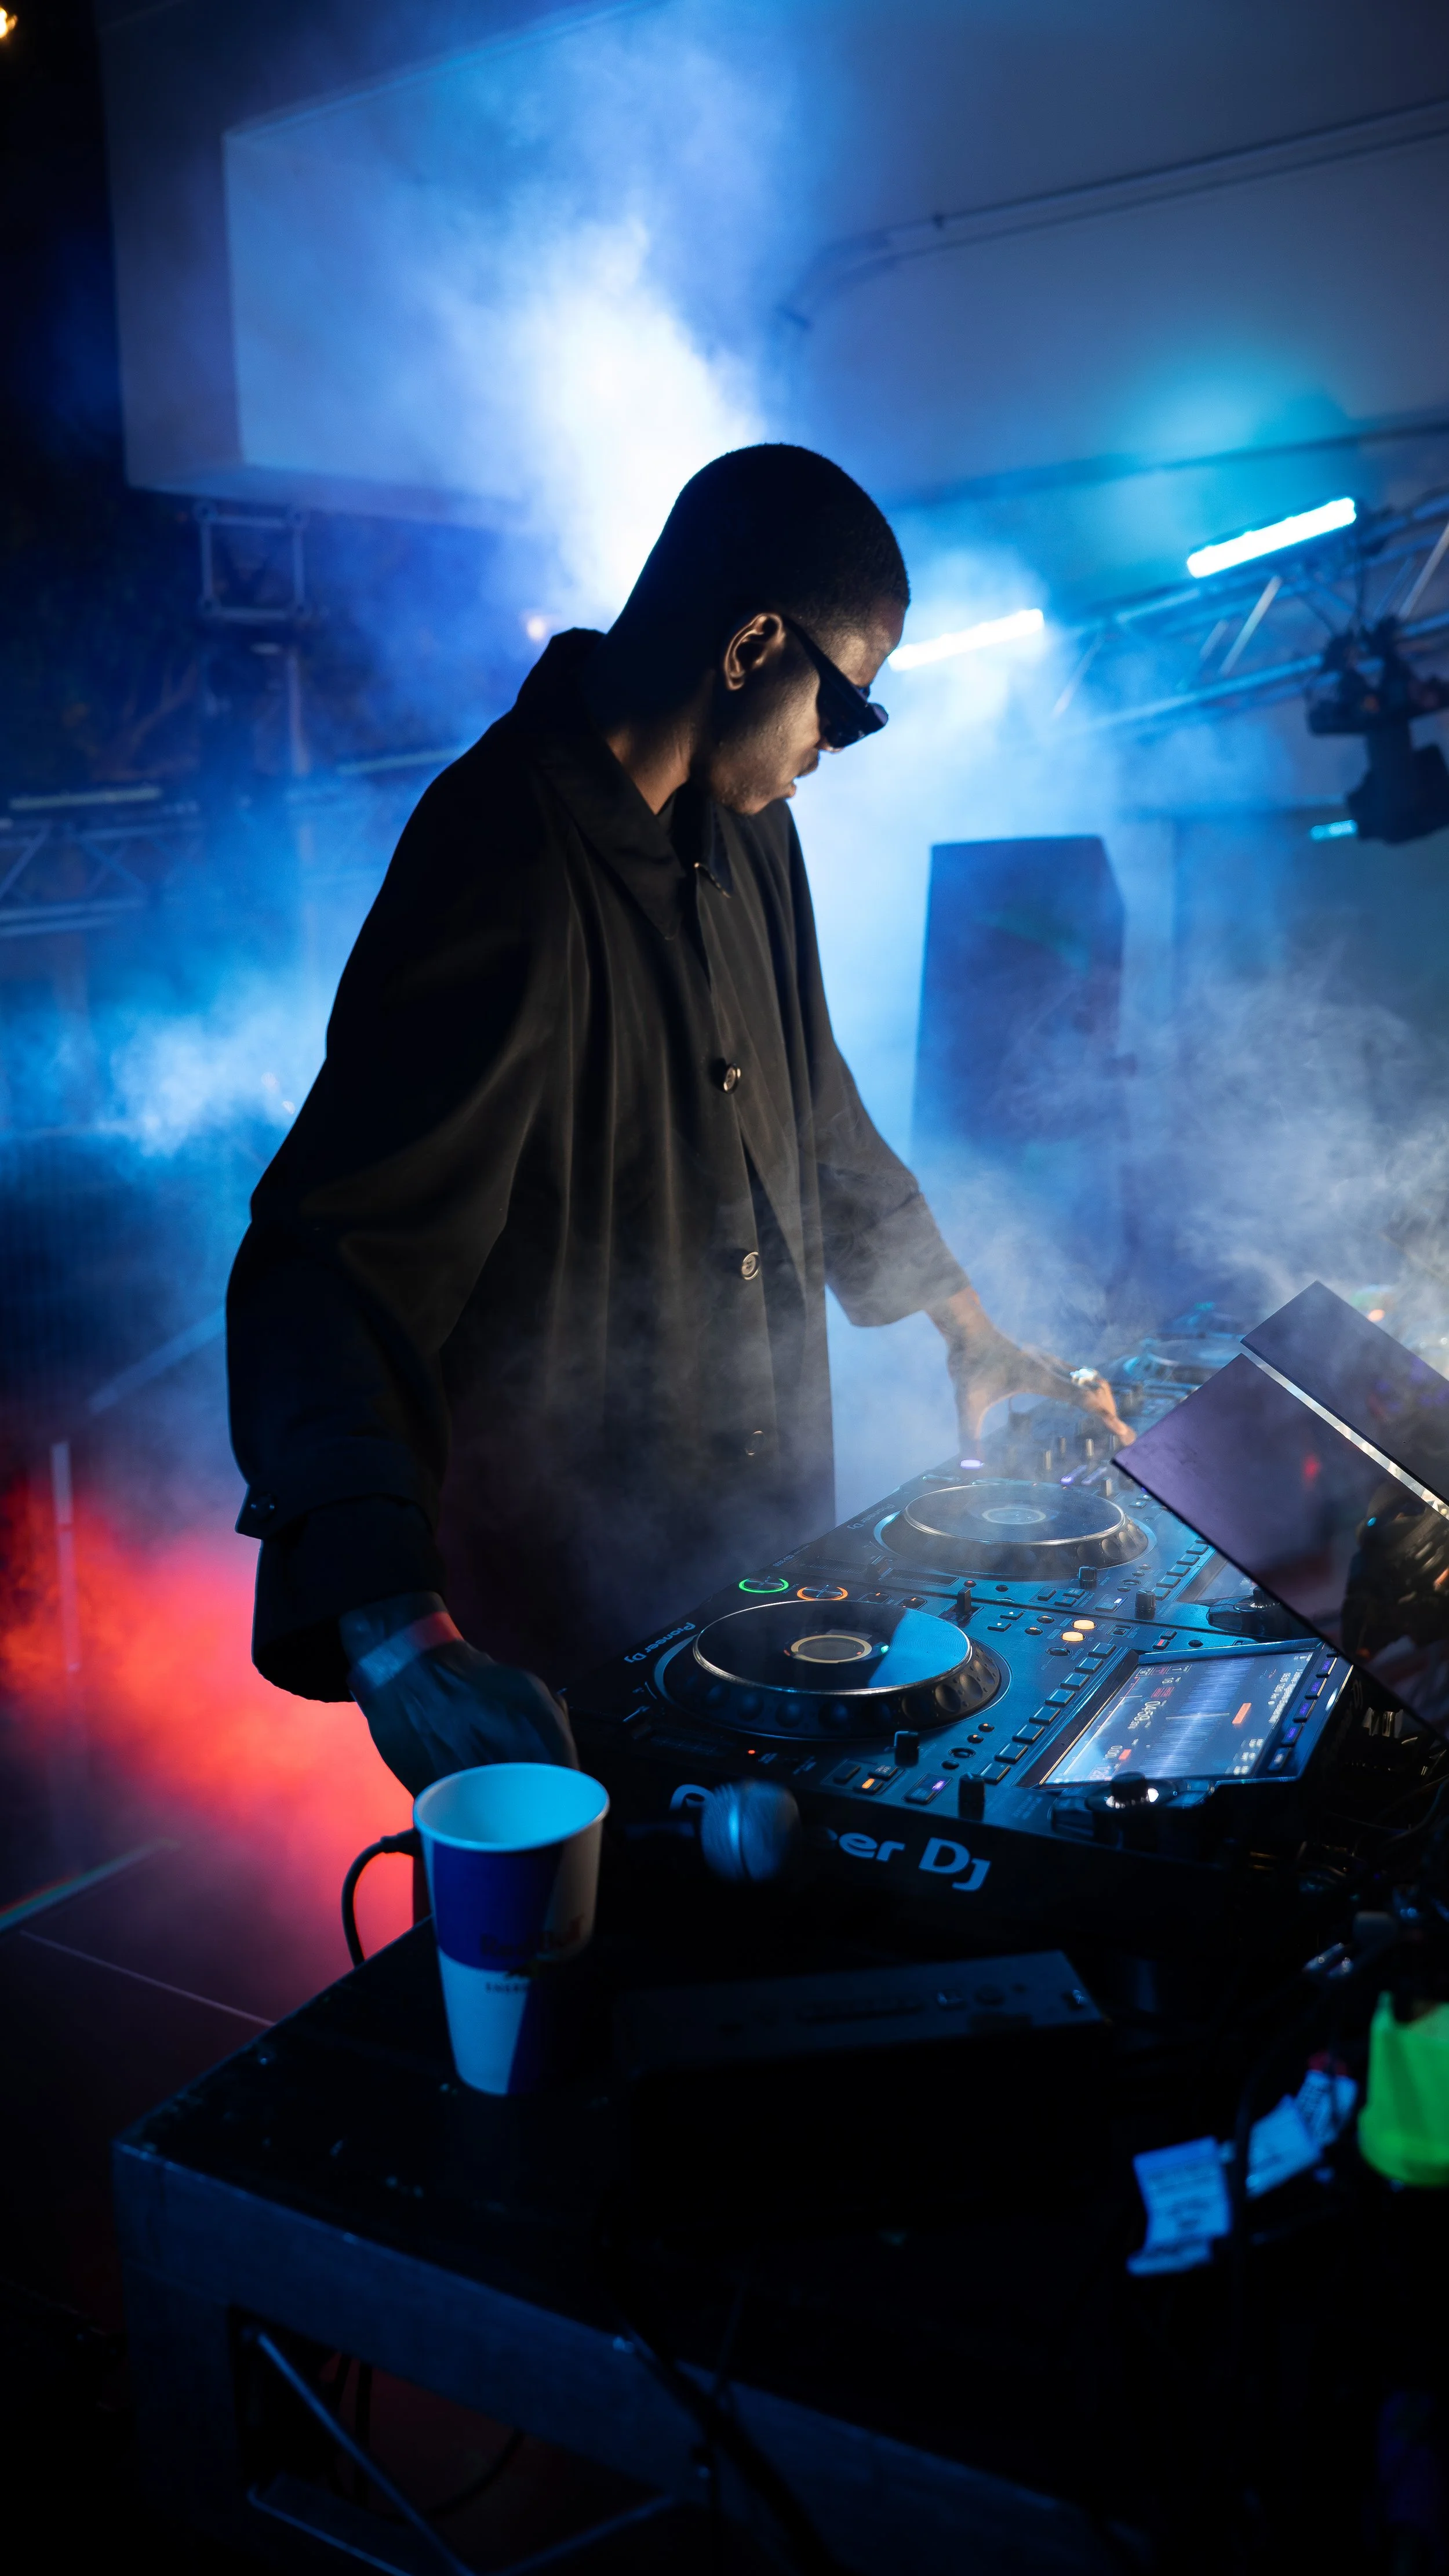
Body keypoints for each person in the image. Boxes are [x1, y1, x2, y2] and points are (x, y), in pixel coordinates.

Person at [227, 444, 1130, 1793]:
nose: (836, 744)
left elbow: (814, 1108)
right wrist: (394, 1634)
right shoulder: (498, 857)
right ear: (753, 643)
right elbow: (329, 1263)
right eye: (845, 705)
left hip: (757, 1584)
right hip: (563, 1641)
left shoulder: (752, 830)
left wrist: (970, 1335)